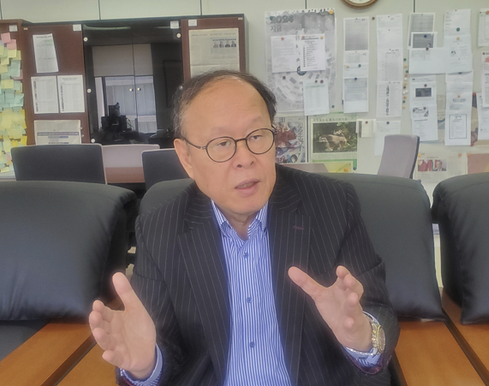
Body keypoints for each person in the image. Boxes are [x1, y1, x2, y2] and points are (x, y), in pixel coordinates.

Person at [89, 70, 399, 386]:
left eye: (257, 136)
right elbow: (159, 345)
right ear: (187, 157)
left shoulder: (333, 205)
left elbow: (377, 311)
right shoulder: (159, 229)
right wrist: (145, 366)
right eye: (221, 143)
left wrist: (361, 336)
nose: (245, 158)